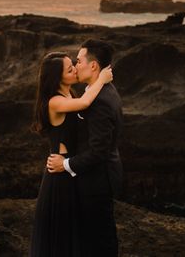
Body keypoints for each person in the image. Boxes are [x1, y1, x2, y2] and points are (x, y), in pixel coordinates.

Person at [30, 51, 113, 257]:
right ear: (58, 78)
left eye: (73, 64)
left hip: (70, 170)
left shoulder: (70, 95)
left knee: (75, 236)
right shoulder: (54, 102)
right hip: (59, 177)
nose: (75, 69)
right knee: (61, 239)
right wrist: (100, 79)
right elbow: (85, 103)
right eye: (70, 69)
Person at [47, 39, 124, 257]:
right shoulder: (96, 92)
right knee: (95, 237)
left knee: (101, 240)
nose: (75, 64)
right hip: (95, 178)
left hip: (98, 180)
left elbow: (99, 151)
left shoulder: (99, 101)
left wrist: (66, 164)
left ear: (93, 66)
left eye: (79, 61)